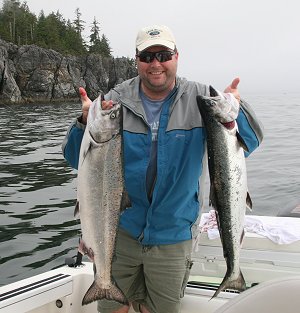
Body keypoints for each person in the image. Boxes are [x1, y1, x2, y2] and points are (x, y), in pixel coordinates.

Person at [62, 25, 264, 313]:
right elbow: (74, 159)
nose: (155, 63)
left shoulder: (203, 97)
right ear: (137, 60)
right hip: (119, 231)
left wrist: (237, 110)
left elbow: (251, 141)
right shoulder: (113, 101)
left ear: (176, 57)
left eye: (163, 54)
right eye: (147, 56)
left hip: (173, 235)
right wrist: (83, 124)